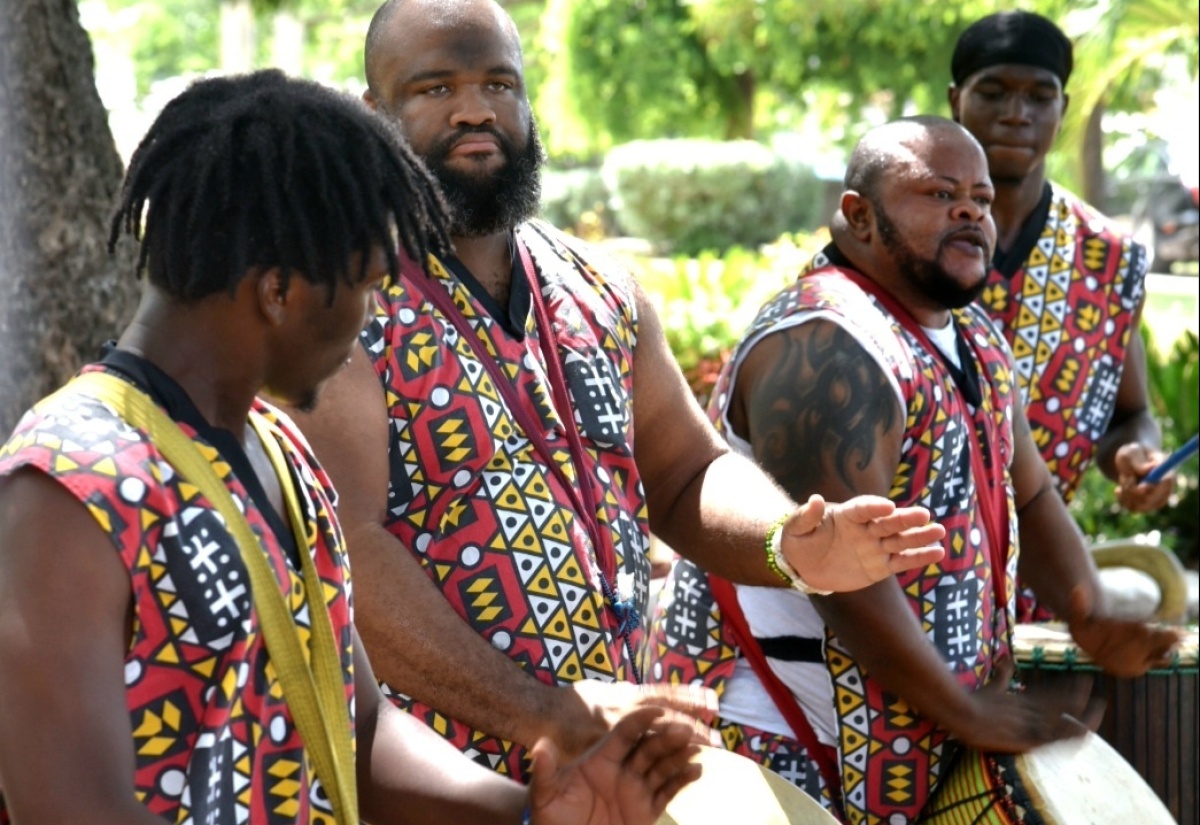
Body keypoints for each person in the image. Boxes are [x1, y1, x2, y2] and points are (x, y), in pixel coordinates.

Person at [0, 70, 706, 825]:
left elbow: (357, 731)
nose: (370, 319)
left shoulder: (279, 453)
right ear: (278, 291)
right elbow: (69, 809)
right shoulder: (68, 486)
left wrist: (532, 812)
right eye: (365, 285)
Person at [285, 0, 947, 781]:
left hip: (613, 769)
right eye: (435, 89)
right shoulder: (342, 296)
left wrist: (788, 540)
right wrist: (546, 713)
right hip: (436, 780)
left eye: (499, 83)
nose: (474, 110)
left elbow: (685, 473)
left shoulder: (598, 285)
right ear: (374, 112)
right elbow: (348, 552)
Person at [643, 117, 1180, 823]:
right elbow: (845, 577)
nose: (970, 212)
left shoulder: (975, 338)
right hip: (776, 740)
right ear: (857, 217)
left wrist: (1090, 615)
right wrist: (963, 708)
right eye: (937, 193)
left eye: (982, 200)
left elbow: (1035, 494)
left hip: (902, 724)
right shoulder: (828, 342)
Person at [949, 11, 1171, 517]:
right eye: (992, 92)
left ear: (1062, 106)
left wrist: (1136, 457)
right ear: (955, 100)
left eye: (1039, 96)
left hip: (1043, 577)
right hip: (914, 574)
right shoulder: (910, 241)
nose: (1016, 113)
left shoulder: (1108, 259)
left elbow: (1130, 414)